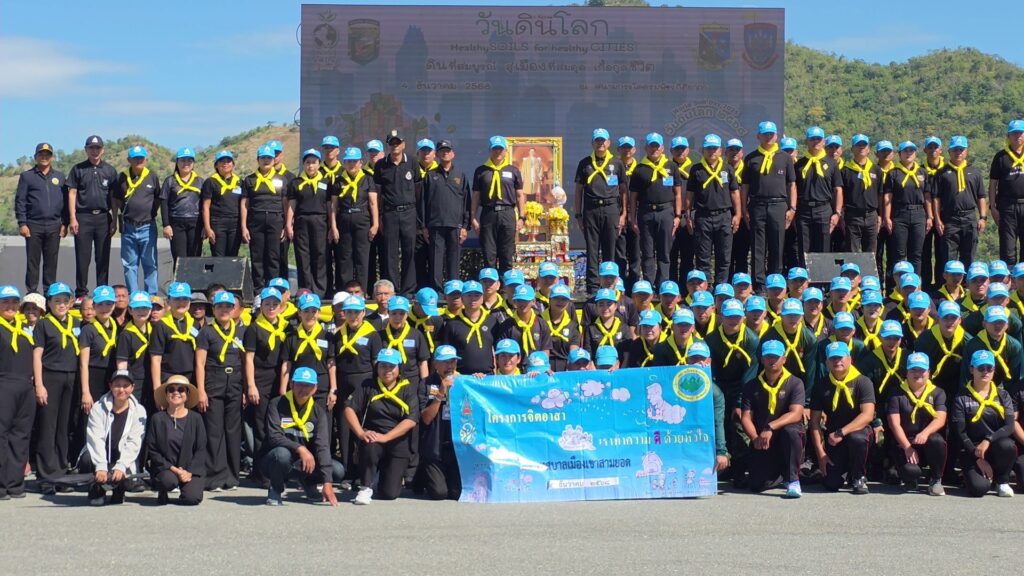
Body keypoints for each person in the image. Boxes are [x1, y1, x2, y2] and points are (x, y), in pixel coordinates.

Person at [345, 348, 420, 504]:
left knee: (389, 494)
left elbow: (411, 420)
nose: (387, 370)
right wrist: (361, 433)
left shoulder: (408, 388)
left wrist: (386, 437)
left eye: (391, 366)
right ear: (377, 367)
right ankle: (365, 487)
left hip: (397, 441)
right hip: (373, 437)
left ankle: (381, 477)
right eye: (383, 365)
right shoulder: (367, 385)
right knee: (369, 443)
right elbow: (348, 409)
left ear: (399, 368)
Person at [260, 366, 341, 506]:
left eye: (308, 385)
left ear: (315, 388)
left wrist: (327, 482)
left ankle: (308, 482)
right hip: (275, 460)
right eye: (300, 384)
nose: (303, 389)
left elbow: (322, 446)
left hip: (303, 463)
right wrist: (300, 449)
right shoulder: (276, 403)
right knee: (281, 455)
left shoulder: (318, 412)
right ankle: (275, 488)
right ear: (291, 384)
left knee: (337, 471)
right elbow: (274, 437)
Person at [194, 291, 246, 491]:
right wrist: (201, 391)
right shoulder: (206, 332)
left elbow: (245, 361)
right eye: (220, 306)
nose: (224, 310)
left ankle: (231, 477)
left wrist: (245, 388)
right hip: (213, 383)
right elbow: (200, 364)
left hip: (235, 383)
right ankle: (214, 477)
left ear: (234, 309)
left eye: (228, 306)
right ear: (213, 310)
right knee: (214, 431)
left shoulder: (241, 331)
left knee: (233, 431)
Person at [31, 282, 80, 493]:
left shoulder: (76, 322)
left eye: (65, 300)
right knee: (48, 427)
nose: (61, 304)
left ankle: (61, 472)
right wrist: (39, 384)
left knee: (63, 427)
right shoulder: (43, 324)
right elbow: (37, 355)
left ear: (70, 303)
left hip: (71, 378)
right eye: (56, 300)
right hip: (51, 377)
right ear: (49, 303)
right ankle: (46, 476)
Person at [740, 340, 805, 498]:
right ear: (762, 359)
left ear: (784, 359)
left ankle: (793, 480)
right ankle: (781, 474)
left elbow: (796, 413)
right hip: (763, 440)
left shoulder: (795, 382)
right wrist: (754, 437)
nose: (772, 360)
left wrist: (770, 427)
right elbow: (746, 417)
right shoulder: (751, 385)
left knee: (791, 432)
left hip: (785, 436)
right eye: (768, 356)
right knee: (756, 485)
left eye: (776, 357)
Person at [809, 341, 876, 494]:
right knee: (831, 484)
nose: (837, 361)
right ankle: (843, 470)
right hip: (834, 437)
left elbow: (867, 415)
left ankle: (858, 476)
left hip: (858, 432)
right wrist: (821, 454)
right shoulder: (821, 385)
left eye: (841, 357)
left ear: (850, 359)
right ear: (827, 362)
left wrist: (842, 432)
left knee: (856, 439)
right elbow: (814, 422)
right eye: (832, 358)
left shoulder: (863, 381)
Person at [950, 350, 1017, 497]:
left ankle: (1002, 480)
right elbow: (960, 432)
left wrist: (988, 440)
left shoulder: (1003, 395)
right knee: (979, 489)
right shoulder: (961, 397)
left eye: (989, 368)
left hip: (995, 445)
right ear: (971, 369)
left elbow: (1009, 426)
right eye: (980, 368)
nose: (985, 372)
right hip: (971, 449)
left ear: (994, 370)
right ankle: (973, 474)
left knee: (1008, 445)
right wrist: (977, 456)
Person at [741, 121, 797, 291]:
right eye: (765, 134)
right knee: (758, 247)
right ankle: (759, 285)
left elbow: (791, 184)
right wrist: (744, 209)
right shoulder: (751, 158)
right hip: (757, 205)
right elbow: (745, 187)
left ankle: (775, 283)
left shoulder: (785, 157)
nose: (768, 137)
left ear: (776, 136)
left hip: (778, 205)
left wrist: (792, 208)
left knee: (777, 246)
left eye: (771, 134)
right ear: (758, 136)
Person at [243, 287, 290, 483]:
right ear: (261, 306)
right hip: (261, 380)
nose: (271, 307)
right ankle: (261, 472)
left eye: (275, 304)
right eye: (267, 303)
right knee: (262, 427)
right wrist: (251, 386)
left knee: (279, 426)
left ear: (281, 306)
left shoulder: (286, 327)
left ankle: (279, 469)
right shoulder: (254, 328)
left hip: (280, 379)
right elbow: (248, 359)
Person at [78, 370, 146, 505]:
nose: (121, 389)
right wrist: (101, 466)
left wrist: (121, 466)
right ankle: (97, 490)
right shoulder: (98, 408)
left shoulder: (139, 411)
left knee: (126, 476)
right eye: (117, 385)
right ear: (110, 386)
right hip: (101, 455)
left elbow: (134, 442)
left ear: (132, 388)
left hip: (122, 456)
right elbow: (95, 439)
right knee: (87, 459)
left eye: (125, 386)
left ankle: (119, 491)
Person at [886, 353, 947, 495]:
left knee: (937, 440)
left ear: (928, 372)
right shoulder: (896, 393)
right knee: (911, 472)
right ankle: (911, 478)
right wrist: (907, 447)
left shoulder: (938, 393)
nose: (918, 374)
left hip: (927, 441)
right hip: (905, 442)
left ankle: (936, 479)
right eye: (913, 370)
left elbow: (940, 419)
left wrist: (925, 433)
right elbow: (894, 424)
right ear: (907, 372)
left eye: (922, 370)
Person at [576, 128, 628, 292]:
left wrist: (623, 214)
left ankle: (610, 285)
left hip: (611, 208)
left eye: (603, 140)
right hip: (591, 209)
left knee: (610, 248)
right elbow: (578, 191)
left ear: (608, 143)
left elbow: (624, 190)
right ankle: (592, 287)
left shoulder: (617, 163)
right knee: (592, 249)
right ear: (592, 143)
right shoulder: (585, 163)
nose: (600, 143)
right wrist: (578, 214)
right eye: (597, 140)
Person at [629, 132, 682, 286]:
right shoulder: (640, 169)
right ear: (646, 148)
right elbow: (633, 197)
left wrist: (678, 216)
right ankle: (648, 286)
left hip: (666, 212)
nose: (654, 149)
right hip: (646, 213)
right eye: (651, 146)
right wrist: (633, 219)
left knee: (665, 252)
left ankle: (663, 286)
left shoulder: (671, 166)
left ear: (662, 148)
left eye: (657, 146)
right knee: (647, 252)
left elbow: (678, 193)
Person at [67, 135, 117, 297]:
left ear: (102, 150)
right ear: (86, 150)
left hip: (103, 217)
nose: (94, 151)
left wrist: (114, 220)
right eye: (91, 148)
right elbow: (72, 193)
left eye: (97, 148)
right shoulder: (78, 169)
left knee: (103, 257)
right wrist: (72, 218)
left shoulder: (110, 170)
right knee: (83, 257)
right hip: (83, 217)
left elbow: (114, 198)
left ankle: (102, 291)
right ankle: (81, 292)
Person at [373, 130, 422, 294]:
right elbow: (378, 193)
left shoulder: (412, 162)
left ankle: (408, 290)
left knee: (410, 251)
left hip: (409, 212)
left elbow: (418, 190)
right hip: (389, 214)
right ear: (388, 145)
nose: (395, 145)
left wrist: (418, 216)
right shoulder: (381, 165)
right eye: (392, 143)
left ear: (404, 144)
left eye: (398, 142)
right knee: (390, 254)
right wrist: (380, 217)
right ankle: (391, 289)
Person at [687, 134, 741, 285]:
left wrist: (738, 214)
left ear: (720, 150)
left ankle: (721, 288)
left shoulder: (727, 169)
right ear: (703, 150)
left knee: (724, 257)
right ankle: (705, 289)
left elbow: (735, 193)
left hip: (724, 216)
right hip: (703, 217)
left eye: (715, 148)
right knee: (703, 257)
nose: (712, 151)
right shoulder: (696, 170)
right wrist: (688, 215)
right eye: (709, 148)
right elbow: (690, 195)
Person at [74, 285, 119, 459]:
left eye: (109, 304)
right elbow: (83, 363)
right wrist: (86, 392)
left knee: (107, 419)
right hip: (92, 377)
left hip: (110, 378)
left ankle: (104, 458)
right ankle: (84, 460)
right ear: (94, 307)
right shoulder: (88, 329)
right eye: (100, 304)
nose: (105, 308)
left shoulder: (115, 327)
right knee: (89, 420)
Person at [146, 375, 206, 505]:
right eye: (171, 389)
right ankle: (163, 491)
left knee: (192, 498)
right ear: (166, 394)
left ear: (187, 394)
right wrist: (175, 470)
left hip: (190, 469)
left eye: (181, 389)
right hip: (167, 469)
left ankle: (186, 489)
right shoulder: (157, 418)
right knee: (167, 481)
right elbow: (153, 450)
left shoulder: (196, 418)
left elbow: (201, 449)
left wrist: (189, 472)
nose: (176, 392)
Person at [16, 143, 67, 295]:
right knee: (33, 261)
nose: (44, 157)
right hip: (33, 225)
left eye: (47, 154)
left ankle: (49, 293)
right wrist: (22, 223)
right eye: (41, 154)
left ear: (52, 157)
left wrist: (65, 223)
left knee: (51, 262)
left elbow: (65, 202)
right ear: (35, 157)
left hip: (54, 225)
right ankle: (32, 292)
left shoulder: (60, 177)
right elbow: (20, 201)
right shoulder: (27, 176)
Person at [0, 286, 36, 500]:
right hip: (4, 383)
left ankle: (15, 484)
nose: (10, 306)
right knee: (1, 435)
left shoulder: (24, 328)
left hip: (25, 385)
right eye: (5, 302)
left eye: (14, 302)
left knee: (21, 435)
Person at [472, 135, 525, 274]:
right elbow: (476, 196)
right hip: (488, 213)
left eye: (501, 149)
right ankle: (491, 285)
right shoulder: (481, 171)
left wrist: (522, 217)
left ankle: (505, 285)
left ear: (506, 151)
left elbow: (520, 195)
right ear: (490, 150)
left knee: (506, 253)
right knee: (489, 253)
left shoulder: (513, 170)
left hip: (507, 213)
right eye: (495, 149)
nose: (498, 152)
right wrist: (473, 218)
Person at [420, 140, 468, 290]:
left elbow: (466, 202)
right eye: (442, 151)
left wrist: (465, 226)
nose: (445, 153)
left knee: (454, 260)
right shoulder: (430, 175)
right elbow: (423, 202)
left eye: (448, 151)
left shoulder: (461, 175)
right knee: (436, 261)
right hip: (435, 225)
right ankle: (437, 291)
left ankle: (453, 290)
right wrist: (424, 226)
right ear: (437, 154)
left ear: (453, 154)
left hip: (455, 225)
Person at [934, 136, 988, 266]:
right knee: (949, 259)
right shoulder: (941, 173)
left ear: (966, 151)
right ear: (949, 152)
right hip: (950, 219)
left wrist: (983, 218)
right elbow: (936, 198)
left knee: (969, 257)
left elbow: (981, 196)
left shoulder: (974, 172)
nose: (958, 152)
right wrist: (937, 219)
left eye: (961, 149)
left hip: (969, 217)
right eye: (955, 149)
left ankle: (967, 280)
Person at [331, 146, 380, 291]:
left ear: (360, 162)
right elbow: (333, 206)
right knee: (345, 258)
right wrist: (333, 226)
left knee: (362, 258)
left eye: (354, 161)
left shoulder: (368, 179)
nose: (351, 164)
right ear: (344, 163)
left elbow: (373, 203)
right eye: (348, 161)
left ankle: (361, 291)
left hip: (362, 220)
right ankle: (345, 291)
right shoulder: (338, 181)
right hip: (344, 220)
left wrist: (375, 224)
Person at [113, 146, 161, 294]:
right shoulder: (122, 177)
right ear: (129, 160)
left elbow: (158, 198)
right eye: (135, 158)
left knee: (150, 264)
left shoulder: (152, 177)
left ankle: (151, 296)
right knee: (129, 265)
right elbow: (115, 200)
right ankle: (133, 296)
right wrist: (114, 220)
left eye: (141, 158)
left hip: (147, 227)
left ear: (146, 159)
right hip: (128, 227)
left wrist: (151, 213)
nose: (138, 160)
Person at [793, 126, 843, 264]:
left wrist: (837, 213)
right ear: (806, 141)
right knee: (804, 251)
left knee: (823, 250)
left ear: (823, 141)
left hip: (823, 209)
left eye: (818, 139)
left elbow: (838, 189)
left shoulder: (832, 163)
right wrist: (793, 210)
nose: (815, 141)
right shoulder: (799, 164)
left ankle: (823, 278)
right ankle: (804, 277)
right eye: (812, 139)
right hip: (803, 210)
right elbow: (793, 188)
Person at [418, 345, 462, 499]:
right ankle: (421, 473)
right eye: (445, 362)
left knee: (457, 494)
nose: (450, 366)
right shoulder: (425, 383)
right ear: (435, 364)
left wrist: (478, 378)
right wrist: (441, 393)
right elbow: (426, 418)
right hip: (434, 447)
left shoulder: (463, 381)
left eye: (453, 361)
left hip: (456, 447)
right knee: (439, 493)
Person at [242, 145, 287, 289]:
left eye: (269, 158)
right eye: (263, 158)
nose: (266, 160)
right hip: (256, 220)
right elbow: (244, 204)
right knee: (257, 256)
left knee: (274, 256)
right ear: (258, 160)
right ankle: (258, 290)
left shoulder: (282, 179)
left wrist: (286, 225)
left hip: (275, 220)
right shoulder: (249, 180)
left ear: (274, 160)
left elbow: (286, 203)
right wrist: (244, 227)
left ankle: (273, 289)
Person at [286, 149, 331, 296]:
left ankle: (320, 292)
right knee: (303, 256)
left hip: (320, 221)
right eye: (308, 162)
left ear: (319, 164)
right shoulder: (296, 182)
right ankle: (305, 290)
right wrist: (288, 224)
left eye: (314, 162)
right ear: (303, 164)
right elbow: (291, 205)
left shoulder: (326, 182)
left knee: (320, 255)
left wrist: (332, 225)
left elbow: (330, 205)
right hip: (301, 221)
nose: (311, 166)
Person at [884, 141, 932, 275]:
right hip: (900, 214)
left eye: (911, 150)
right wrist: (887, 217)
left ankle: (915, 283)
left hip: (919, 213)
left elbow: (927, 196)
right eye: (905, 151)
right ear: (899, 154)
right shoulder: (893, 173)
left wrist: (930, 216)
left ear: (916, 153)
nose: (908, 153)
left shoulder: (922, 172)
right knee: (899, 253)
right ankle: (899, 284)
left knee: (916, 254)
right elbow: (888, 197)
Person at [281, 293, 336, 407]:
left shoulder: (327, 336)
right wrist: (283, 390)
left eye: (314, 311)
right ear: (299, 313)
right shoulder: (291, 337)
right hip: (298, 388)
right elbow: (286, 364)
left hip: (321, 389)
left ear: (319, 313)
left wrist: (333, 389)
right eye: (306, 311)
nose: (310, 315)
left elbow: (331, 363)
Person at [161, 147, 204, 268]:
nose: (186, 163)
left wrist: (205, 226)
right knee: (179, 259)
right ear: (177, 162)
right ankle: (179, 281)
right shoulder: (170, 181)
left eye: (189, 160)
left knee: (195, 258)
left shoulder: (200, 181)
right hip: (176, 223)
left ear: (193, 163)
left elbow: (205, 205)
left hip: (196, 223)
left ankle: (194, 281)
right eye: (183, 160)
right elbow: (163, 202)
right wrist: (166, 225)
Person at [150, 282, 197, 390]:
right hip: (168, 378)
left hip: (190, 378)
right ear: (168, 301)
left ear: (190, 302)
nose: (181, 302)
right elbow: (156, 359)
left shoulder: (195, 325)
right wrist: (157, 388)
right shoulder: (161, 325)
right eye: (176, 299)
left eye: (185, 299)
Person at [989, 120, 1024, 264]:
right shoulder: (1000, 157)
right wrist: (993, 207)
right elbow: (993, 184)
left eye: (1020, 133)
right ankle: (1008, 277)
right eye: (1014, 133)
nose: (1018, 136)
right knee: (1007, 249)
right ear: (1008, 136)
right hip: (1007, 206)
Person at [840, 134, 882, 254]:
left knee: (871, 254)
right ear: (852, 149)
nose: (861, 147)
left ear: (868, 149)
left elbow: (880, 194)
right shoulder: (845, 170)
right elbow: (841, 195)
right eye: (858, 145)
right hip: (853, 216)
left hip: (871, 215)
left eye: (864, 145)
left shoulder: (876, 170)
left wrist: (880, 215)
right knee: (851, 252)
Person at [201, 150, 243, 257]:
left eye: (228, 161)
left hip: (235, 224)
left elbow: (244, 205)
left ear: (233, 164)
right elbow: (205, 207)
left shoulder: (240, 182)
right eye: (222, 161)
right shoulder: (210, 182)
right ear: (216, 165)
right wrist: (207, 228)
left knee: (233, 257)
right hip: (218, 223)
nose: (225, 163)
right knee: (218, 257)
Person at [615, 136, 643, 286]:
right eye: (623, 147)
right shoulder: (613, 168)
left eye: (629, 147)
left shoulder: (640, 169)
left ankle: (634, 286)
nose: (627, 150)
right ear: (618, 150)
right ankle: (620, 286)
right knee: (619, 252)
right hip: (619, 214)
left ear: (634, 150)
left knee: (635, 253)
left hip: (636, 215)